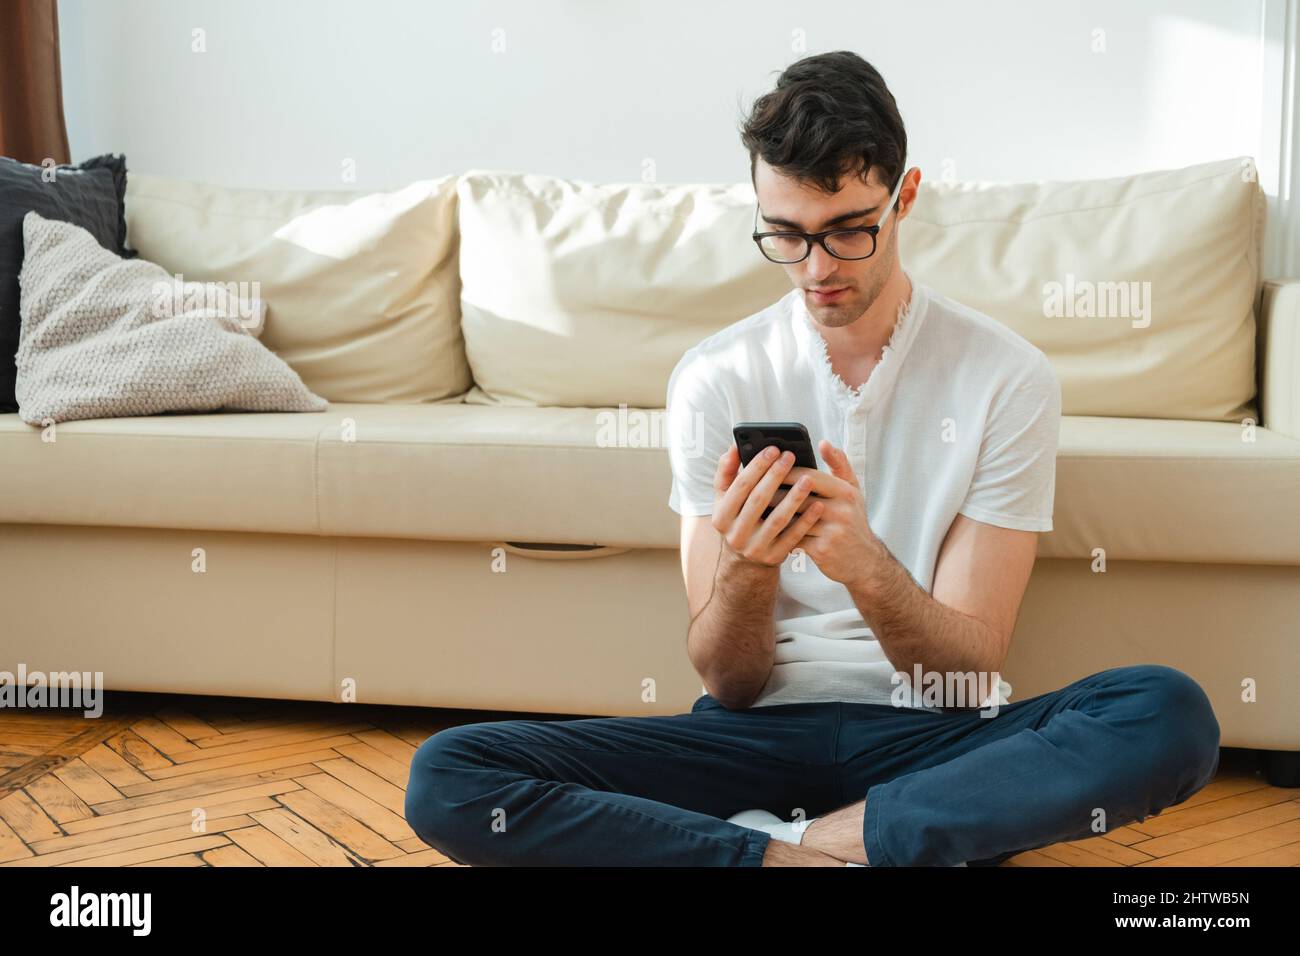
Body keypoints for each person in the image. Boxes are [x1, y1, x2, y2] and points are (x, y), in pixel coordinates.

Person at [404, 50, 1220, 867]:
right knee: (451, 772)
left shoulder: (1004, 376)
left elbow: (967, 680)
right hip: (747, 741)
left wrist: (865, 566)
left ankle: (787, 849)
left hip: (932, 745)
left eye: (849, 231)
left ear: (906, 197)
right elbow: (728, 682)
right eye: (787, 236)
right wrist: (749, 571)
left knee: (1166, 711)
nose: (818, 268)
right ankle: (850, 851)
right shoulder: (715, 377)